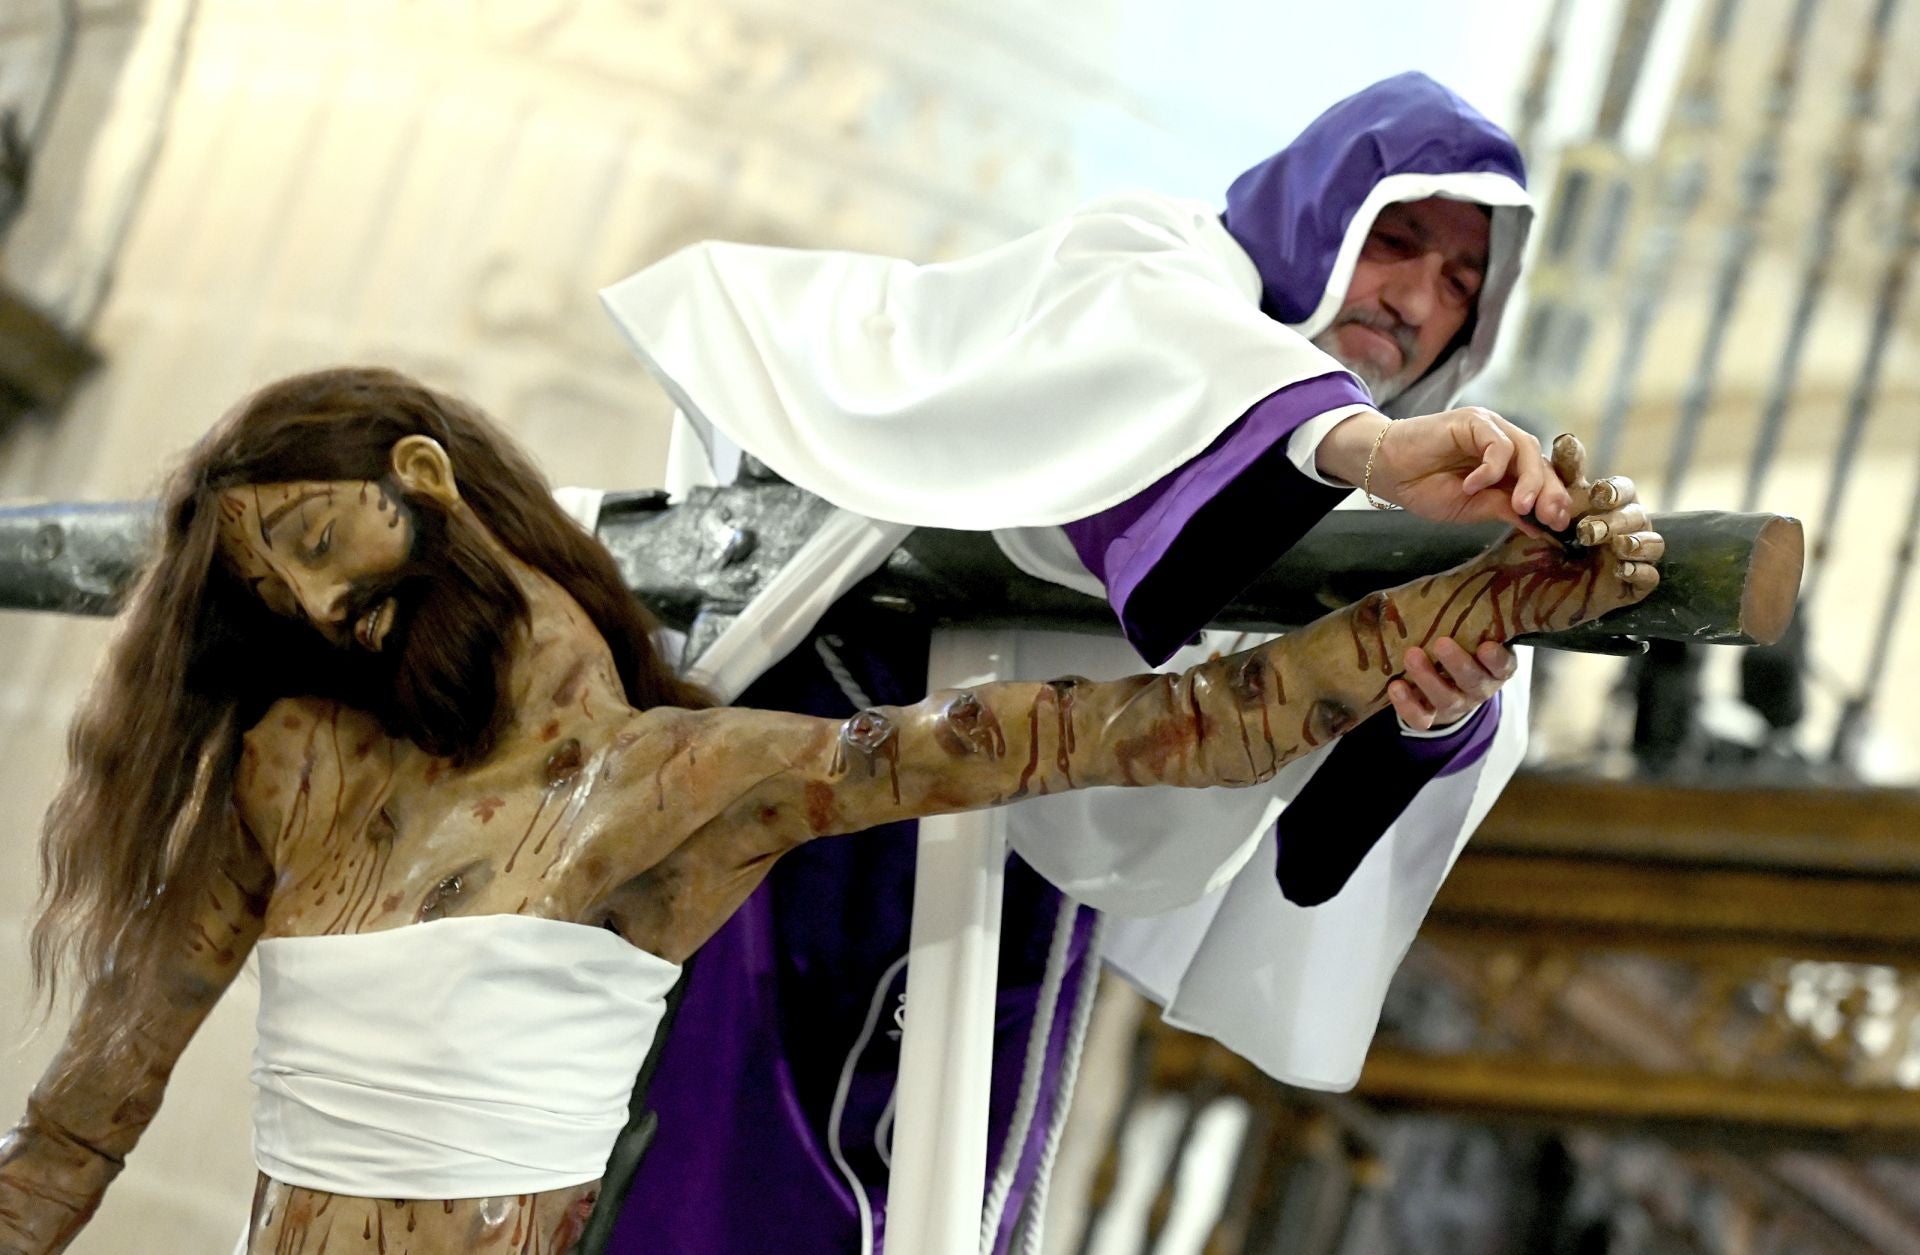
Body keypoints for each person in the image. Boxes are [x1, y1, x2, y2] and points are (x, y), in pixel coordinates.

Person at [0, 367, 1656, 1254]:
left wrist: (1490, 603)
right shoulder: (294, 767)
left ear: (422, 483)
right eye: (269, 586)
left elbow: (1167, 726)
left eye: (311, 543)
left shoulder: (683, 789)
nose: (305, 602)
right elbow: (78, 1124)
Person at [592, 72, 1569, 1251]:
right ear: (1321, 212)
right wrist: (1353, 443)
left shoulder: (1393, 493)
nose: (1414, 301)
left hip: (1017, 888)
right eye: (1396, 241)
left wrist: (1431, 704)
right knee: (707, 1169)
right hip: (817, 774)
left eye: (1459, 283)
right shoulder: (1154, 261)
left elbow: (1300, 806)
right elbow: (1160, 357)